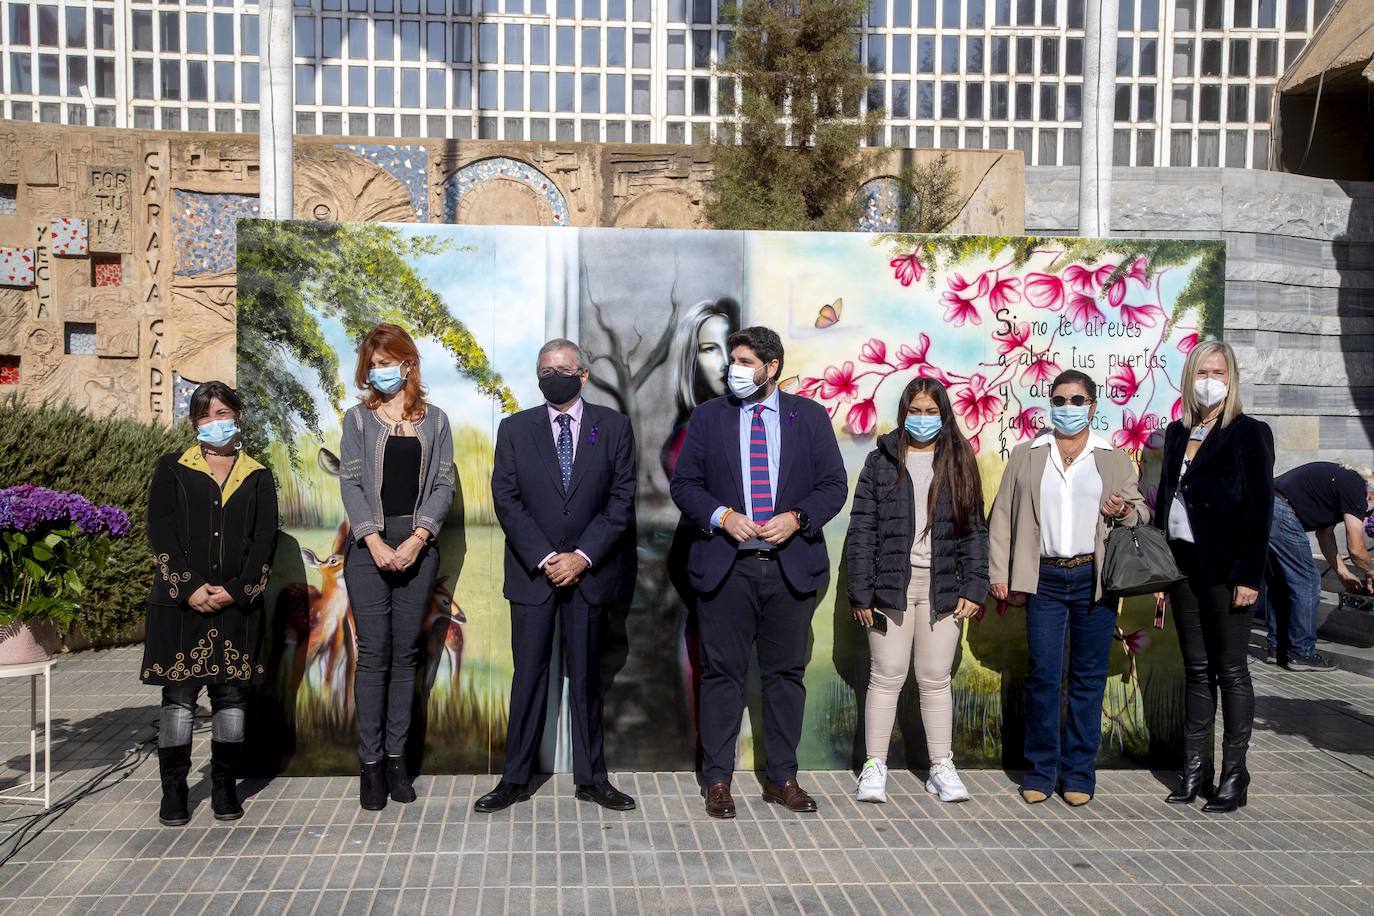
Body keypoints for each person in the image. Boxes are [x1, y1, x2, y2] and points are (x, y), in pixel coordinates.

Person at [669, 326, 848, 819]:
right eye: (733, 361)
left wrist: (797, 519)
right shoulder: (709, 417)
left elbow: (834, 484)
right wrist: (722, 517)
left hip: (789, 570)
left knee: (785, 677)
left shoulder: (808, 417)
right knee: (721, 675)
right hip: (727, 570)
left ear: (772, 368)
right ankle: (719, 781)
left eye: (746, 362)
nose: (735, 370)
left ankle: (782, 778)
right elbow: (684, 485)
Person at [475, 339, 638, 814]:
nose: (553, 376)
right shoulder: (515, 429)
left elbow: (620, 500)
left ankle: (592, 779)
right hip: (534, 577)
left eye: (563, 369)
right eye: (545, 369)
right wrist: (548, 557)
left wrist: (582, 556)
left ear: (582, 375)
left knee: (586, 679)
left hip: (590, 575)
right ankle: (514, 779)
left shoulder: (613, 427)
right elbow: (506, 498)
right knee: (528, 676)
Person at [988, 370, 1146, 807]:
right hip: (1045, 578)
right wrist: (999, 571)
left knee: (1088, 678)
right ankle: (1040, 770)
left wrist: (1123, 510)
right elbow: (1002, 515)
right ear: (1050, 403)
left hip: (1094, 581)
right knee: (1042, 676)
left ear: (1093, 406)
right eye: (1060, 399)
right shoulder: (1027, 454)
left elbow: (1140, 515)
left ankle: (1078, 773)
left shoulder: (1113, 458)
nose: (1068, 407)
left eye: (1078, 400)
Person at [845, 378, 989, 804]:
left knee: (935, 679)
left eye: (931, 411)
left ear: (943, 414)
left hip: (942, 588)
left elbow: (974, 530)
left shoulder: (960, 460)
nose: (922, 419)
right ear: (904, 411)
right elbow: (861, 530)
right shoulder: (881, 461)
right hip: (892, 587)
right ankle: (874, 766)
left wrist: (975, 585)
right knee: (886, 676)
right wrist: (860, 591)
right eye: (915, 410)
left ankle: (941, 766)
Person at [143, 381, 278, 826]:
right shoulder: (171, 469)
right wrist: (188, 586)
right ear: (193, 422)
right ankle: (174, 792)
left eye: (222, 413)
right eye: (205, 415)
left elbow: (264, 540)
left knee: (231, 699)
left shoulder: (257, 475)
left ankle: (224, 787)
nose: (214, 422)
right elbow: (160, 531)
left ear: (238, 416)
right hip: (181, 608)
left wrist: (237, 590)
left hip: (236, 606)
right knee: (179, 699)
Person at [338, 324, 454, 810]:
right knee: (375, 653)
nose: (380, 371)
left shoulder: (436, 420)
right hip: (369, 550)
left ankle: (396, 761)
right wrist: (375, 541)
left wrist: (418, 538)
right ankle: (369, 768)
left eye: (388, 362)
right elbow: (350, 482)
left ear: (409, 362)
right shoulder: (358, 420)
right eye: (374, 364)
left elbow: (443, 483)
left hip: (418, 549)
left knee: (407, 654)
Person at [1154, 340, 1273, 812]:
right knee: (1197, 671)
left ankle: (1234, 774)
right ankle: (1194, 769)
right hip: (1183, 567)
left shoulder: (1248, 433)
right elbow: (1166, 503)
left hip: (1227, 572)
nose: (1210, 380)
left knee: (1231, 670)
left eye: (1219, 372)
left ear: (1232, 378)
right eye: (1203, 371)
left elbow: (1258, 509)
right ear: (1189, 376)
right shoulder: (1177, 434)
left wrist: (1249, 575)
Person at [1265, 461, 1374, 671]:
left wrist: (1342, 571)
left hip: (1266, 505)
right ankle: (1302, 653)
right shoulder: (1357, 489)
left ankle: (1277, 648)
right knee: (1307, 581)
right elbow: (1357, 549)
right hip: (1280, 512)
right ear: (1371, 495)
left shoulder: (1341, 481)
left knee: (1280, 582)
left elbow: (1324, 535)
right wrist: (1371, 571)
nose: (1365, 516)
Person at [660, 297, 740, 480]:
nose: (726, 362)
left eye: (730, 346)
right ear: (692, 360)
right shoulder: (688, 438)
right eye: (710, 349)